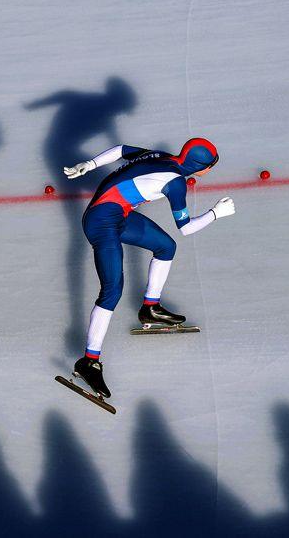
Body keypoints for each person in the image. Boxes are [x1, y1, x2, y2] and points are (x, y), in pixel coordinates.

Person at [64, 138, 235, 398]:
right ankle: (89, 361)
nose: (211, 170)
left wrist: (91, 163)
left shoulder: (163, 156)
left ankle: (150, 308)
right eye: (211, 165)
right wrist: (215, 214)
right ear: (199, 166)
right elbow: (186, 228)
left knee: (166, 247)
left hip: (118, 215)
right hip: (101, 223)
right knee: (112, 290)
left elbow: (122, 151)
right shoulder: (176, 183)